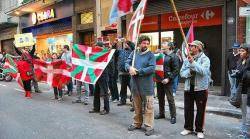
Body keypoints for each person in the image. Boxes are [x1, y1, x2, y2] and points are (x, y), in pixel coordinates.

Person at [125, 35, 156, 136]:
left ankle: (149, 126)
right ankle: (137, 123)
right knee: (137, 106)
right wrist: (129, 68)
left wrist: (138, 72)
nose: (146, 45)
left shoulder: (151, 55)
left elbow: (152, 68)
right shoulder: (134, 53)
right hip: (135, 85)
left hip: (146, 86)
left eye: (147, 43)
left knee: (148, 107)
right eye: (144, 43)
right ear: (139, 43)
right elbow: (126, 63)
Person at [180, 40, 211, 139]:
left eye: (192, 46)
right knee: (188, 109)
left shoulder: (205, 59)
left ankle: (199, 130)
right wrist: (189, 72)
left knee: (200, 110)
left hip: (201, 89)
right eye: (189, 46)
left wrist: (193, 63)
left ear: (198, 48)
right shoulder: (187, 59)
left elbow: (204, 72)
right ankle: (188, 128)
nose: (189, 48)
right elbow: (182, 73)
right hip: (188, 88)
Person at [155, 42, 179, 124]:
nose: (162, 48)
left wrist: (168, 79)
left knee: (170, 99)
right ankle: (161, 113)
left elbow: (176, 70)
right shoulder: (162, 55)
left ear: (169, 47)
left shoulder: (174, 56)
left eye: (164, 47)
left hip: (168, 81)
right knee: (160, 97)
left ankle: (173, 116)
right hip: (160, 80)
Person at [89, 42, 110, 115]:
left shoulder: (106, 53)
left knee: (104, 93)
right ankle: (96, 108)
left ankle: (106, 109)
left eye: (97, 46)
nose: (95, 48)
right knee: (96, 92)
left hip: (103, 75)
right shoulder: (95, 54)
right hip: (96, 75)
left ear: (100, 47)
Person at [234, 44, 250, 138]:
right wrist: (236, 74)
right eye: (240, 51)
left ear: (248, 52)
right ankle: (244, 131)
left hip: (248, 89)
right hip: (242, 89)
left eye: (243, 51)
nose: (240, 53)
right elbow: (240, 72)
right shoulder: (240, 61)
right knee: (244, 111)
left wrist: (242, 74)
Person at [117, 41, 134, 106]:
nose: (125, 45)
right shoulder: (121, 51)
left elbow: (133, 46)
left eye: (126, 44)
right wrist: (114, 45)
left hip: (130, 73)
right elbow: (115, 52)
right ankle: (122, 100)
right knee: (123, 88)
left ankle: (133, 102)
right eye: (124, 44)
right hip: (122, 73)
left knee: (132, 88)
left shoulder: (132, 51)